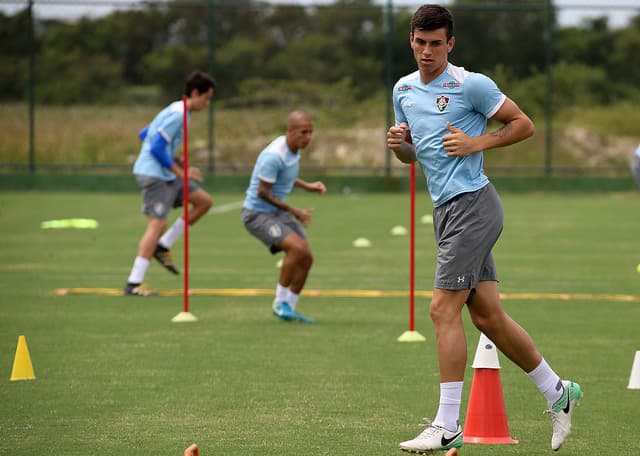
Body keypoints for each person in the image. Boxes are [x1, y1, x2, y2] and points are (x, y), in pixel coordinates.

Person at [386, 5, 582, 453]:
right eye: (420, 42)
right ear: (411, 41)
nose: (427, 51)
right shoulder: (403, 90)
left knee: (441, 310)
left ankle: (447, 424)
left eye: (437, 43)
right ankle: (559, 392)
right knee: (487, 315)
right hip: (446, 211)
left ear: (450, 44)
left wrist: (478, 141)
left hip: (474, 205)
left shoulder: (471, 84)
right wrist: (401, 147)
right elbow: (416, 155)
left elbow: (523, 124)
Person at [124, 70, 216, 296]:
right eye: (206, 98)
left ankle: (162, 246)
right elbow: (154, 147)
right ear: (195, 93)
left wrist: (176, 163)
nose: (207, 103)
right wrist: (179, 170)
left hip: (166, 173)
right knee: (156, 225)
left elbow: (144, 133)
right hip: (153, 175)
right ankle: (134, 284)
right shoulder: (179, 114)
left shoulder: (176, 109)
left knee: (203, 202)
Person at [241, 110, 326, 323]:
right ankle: (279, 303)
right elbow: (263, 191)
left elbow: (287, 176)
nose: (308, 137)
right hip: (257, 214)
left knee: (306, 257)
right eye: (303, 132)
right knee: (296, 249)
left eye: (310, 132)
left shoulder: (293, 149)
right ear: (290, 131)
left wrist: (308, 186)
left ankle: (290, 308)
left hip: (276, 212)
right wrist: (294, 211)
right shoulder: (274, 155)